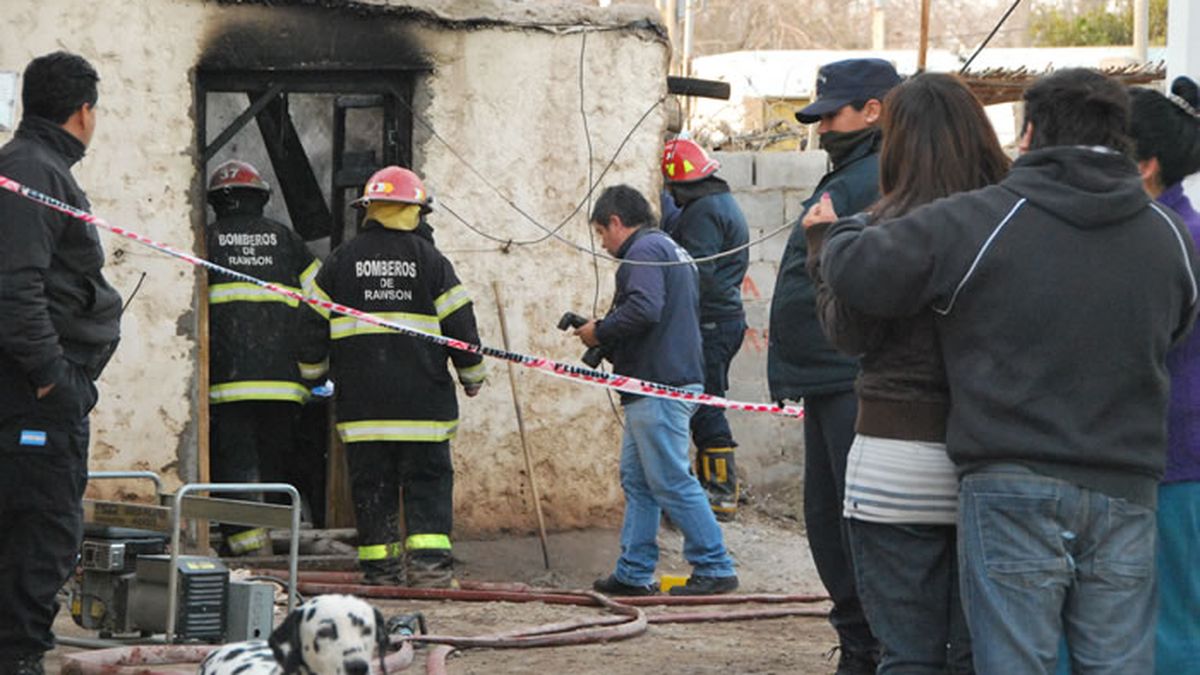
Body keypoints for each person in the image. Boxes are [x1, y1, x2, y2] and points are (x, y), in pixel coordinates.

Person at [818, 68, 1199, 674]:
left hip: (1011, 481)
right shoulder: (1169, 235)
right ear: (1122, 138)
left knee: (1013, 661)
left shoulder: (985, 218)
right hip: (1127, 485)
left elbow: (862, 274)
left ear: (1029, 134)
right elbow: (1175, 330)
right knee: (1117, 663)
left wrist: (835, 234)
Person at [804, 73, 1010, 674]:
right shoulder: (1010, 229)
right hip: (991, 459)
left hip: (893, 465)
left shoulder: (877, 229)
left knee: (908, 654)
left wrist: (822, 250)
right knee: (978, 652)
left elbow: (849, 334)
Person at [767, 57, 898, 673]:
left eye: (831, 115)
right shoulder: (848, 172)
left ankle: (872, 645)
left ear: (874, 110)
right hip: (823, 379)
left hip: (850, 378)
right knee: (825, 521)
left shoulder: (877, 176)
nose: (821, 128)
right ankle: (857, 640)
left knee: (854, 524)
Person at [0, 52, 122, 675]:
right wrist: (54, 378)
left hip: (38, 389)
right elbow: (16, 289)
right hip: (34, 395)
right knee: (41, 531)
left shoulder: (37, 167)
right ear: (83, 111)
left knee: (37, 531)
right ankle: (19, 658)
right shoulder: (32, 170)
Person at [311, 166, 486, 588]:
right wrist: (472, 376)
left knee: (372, 490)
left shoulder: (340, 261)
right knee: (427, 485)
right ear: (416, 212)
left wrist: (312, 376)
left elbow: (308, 328)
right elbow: (461, 327)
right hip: (423, 408)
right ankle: (429, 574)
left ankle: (381, 572)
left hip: (363, 410)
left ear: (369, 209)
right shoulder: (431, 262)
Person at [576, 184, 738, 596]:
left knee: (669, 479)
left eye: (601, 232)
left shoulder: (643, 251)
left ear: (616, 221)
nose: (603, 243)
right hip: (660, 383)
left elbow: (645, 308)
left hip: (658, 385)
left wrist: (600, 332)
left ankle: (715, 566)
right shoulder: (669, 248)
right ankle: (633, 572)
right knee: (639, 480)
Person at [205, 159, 327, 554]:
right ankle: (277, 541)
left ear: (216, 202)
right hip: (283, 382)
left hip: (227, 382)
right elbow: (323, 302)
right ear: (261, 198)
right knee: (276, 461)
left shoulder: (206, 240)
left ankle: (246, 546)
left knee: (234, 463)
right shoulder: (287, 240)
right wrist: (315, 369)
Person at [1129, 76, 1200, 675]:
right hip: (1161, 455)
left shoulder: (1176, 241)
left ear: (1146, 166)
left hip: (1175, 460)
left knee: (1172, 623)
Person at [660, 137, 750, 520]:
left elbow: (697, 274)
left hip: (712, 321)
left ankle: (719, 494)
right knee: (705, 400)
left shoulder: (703, 211)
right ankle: (711, 490)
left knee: (705, 403)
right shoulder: (716, 202)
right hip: (722, 319)